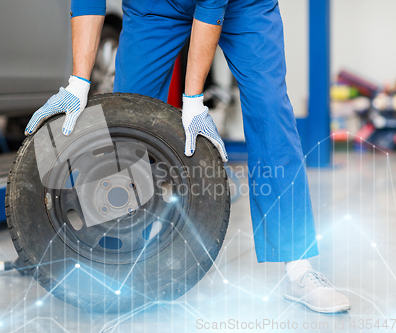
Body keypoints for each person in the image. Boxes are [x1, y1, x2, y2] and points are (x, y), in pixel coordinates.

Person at [25, 0, 351, 313]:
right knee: (126, 116)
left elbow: (211, 5)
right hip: (153, 7)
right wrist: (78, 84)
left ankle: (298, 266)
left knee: (270, 111)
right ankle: (121, 252)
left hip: (244, 6)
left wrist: (193, 100)